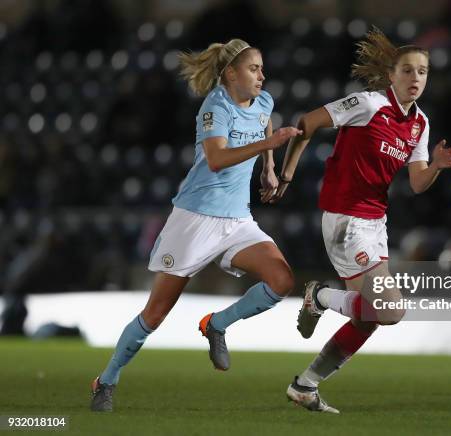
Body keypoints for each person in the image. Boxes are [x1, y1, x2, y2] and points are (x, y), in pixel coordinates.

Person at [90, 38, 302, 412]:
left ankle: (216, 324)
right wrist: (269, 142)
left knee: (282, 280)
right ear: (231, 73)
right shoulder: (215, 107)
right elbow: (217, 159)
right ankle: (106, 380)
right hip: (195, 220)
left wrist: (269, 166)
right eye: (254, 69)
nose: (262, 75)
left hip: (237, 221)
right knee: (154, 315)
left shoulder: (264, 100)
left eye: (262, 68)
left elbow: (264, 118)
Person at [273, 28, 451, 413]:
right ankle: (319, 295)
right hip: (346, 219)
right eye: (407, 71)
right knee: (389, 309)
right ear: (391, 76)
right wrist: (287, 173)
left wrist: (437, 166)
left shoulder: (419, 124)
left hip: (376, 223)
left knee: (369, 317)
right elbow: (307, 122)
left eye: (422, 72)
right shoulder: (368, 104)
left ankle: (305, 385)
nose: (415, 79)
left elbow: (418, 181)